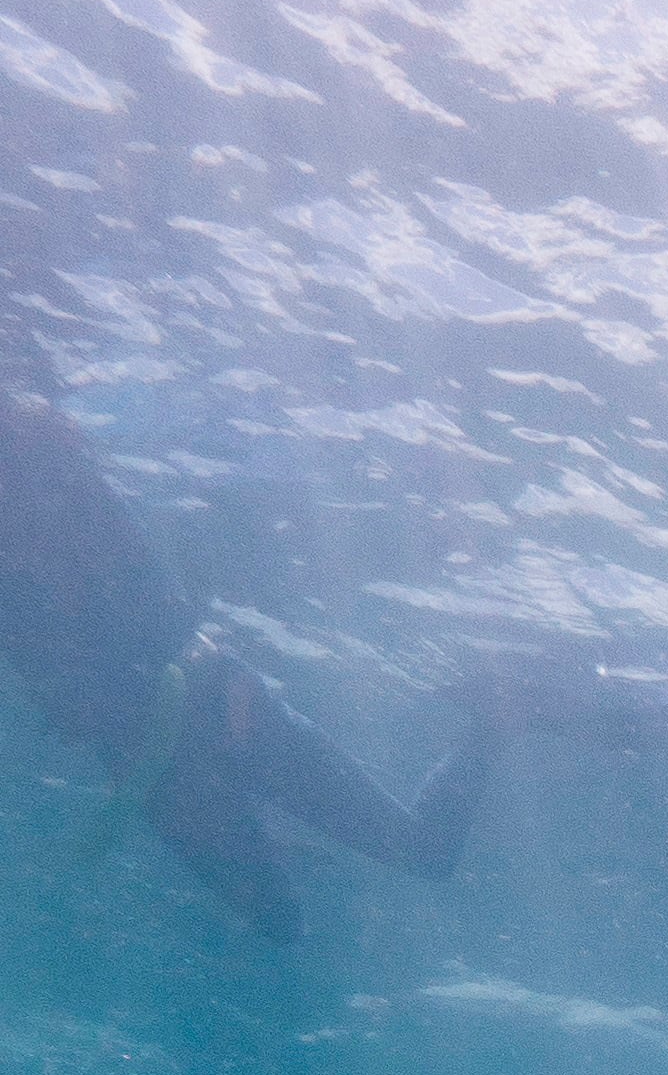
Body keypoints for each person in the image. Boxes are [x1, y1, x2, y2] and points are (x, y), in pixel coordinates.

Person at [0, 383, 499, 938]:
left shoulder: (75, 508)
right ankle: (275, 838)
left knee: (423, 853)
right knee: (280, 924)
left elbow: (163, 607)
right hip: (146, 765)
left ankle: (495, 719)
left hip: (219, 708)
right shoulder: (24, 555)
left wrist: (221, 681)